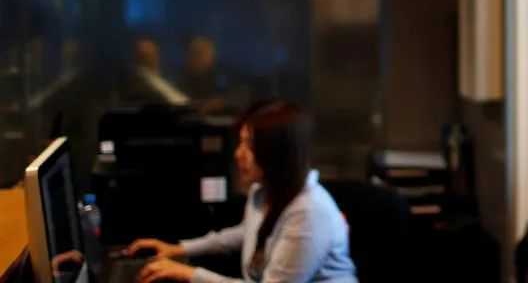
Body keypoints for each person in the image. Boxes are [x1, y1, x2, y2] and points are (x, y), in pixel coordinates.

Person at [126, 100, 358, 283]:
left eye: (249, 146)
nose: (238, 154)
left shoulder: (309, 213)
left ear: (277, 153)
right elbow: (246, 231)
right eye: (241, 143)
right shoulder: (265, 192)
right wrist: (179, 248)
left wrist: (189, 274)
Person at [124, 38, 190, 106]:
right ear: (137, 57)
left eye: (154, 53)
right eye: (146, 55)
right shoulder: (136, 81)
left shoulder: (167, 74)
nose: (153, 57)